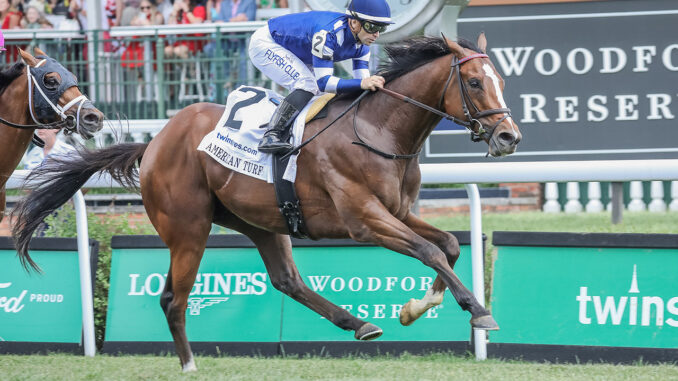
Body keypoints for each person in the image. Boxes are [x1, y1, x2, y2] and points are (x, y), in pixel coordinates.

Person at [248, 0, 392, 154]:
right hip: (267, 43)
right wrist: (363, 83)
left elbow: (362, 87)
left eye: (381, 28)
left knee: (319, 94)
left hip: (300, 51)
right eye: (372, 27)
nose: (376, 34)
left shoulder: (363, 45)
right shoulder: (329, 34)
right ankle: (271, 135)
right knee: (308, 84)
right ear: (354, 22)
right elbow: (324, 83)